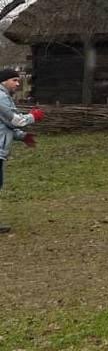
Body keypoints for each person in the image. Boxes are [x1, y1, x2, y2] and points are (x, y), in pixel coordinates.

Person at [0, 67, 44, 233]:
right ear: (4, 81)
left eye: (18, 80)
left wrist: (22, 136)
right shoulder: (1, 97)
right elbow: (15, 120)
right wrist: (34, 116)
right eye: (15, 80)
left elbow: (5, 126)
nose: (18, 84)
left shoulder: (4, 97)